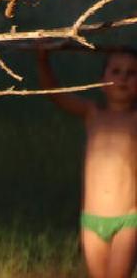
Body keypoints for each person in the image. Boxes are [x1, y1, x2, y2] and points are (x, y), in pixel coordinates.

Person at [37, 45, 137, 278]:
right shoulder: (92, 114)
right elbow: (56, 95)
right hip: (91, 220)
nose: (123, 78)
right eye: (116, 71)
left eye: (132, 73)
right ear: (102, 79)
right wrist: (43, 60)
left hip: (129, 220)